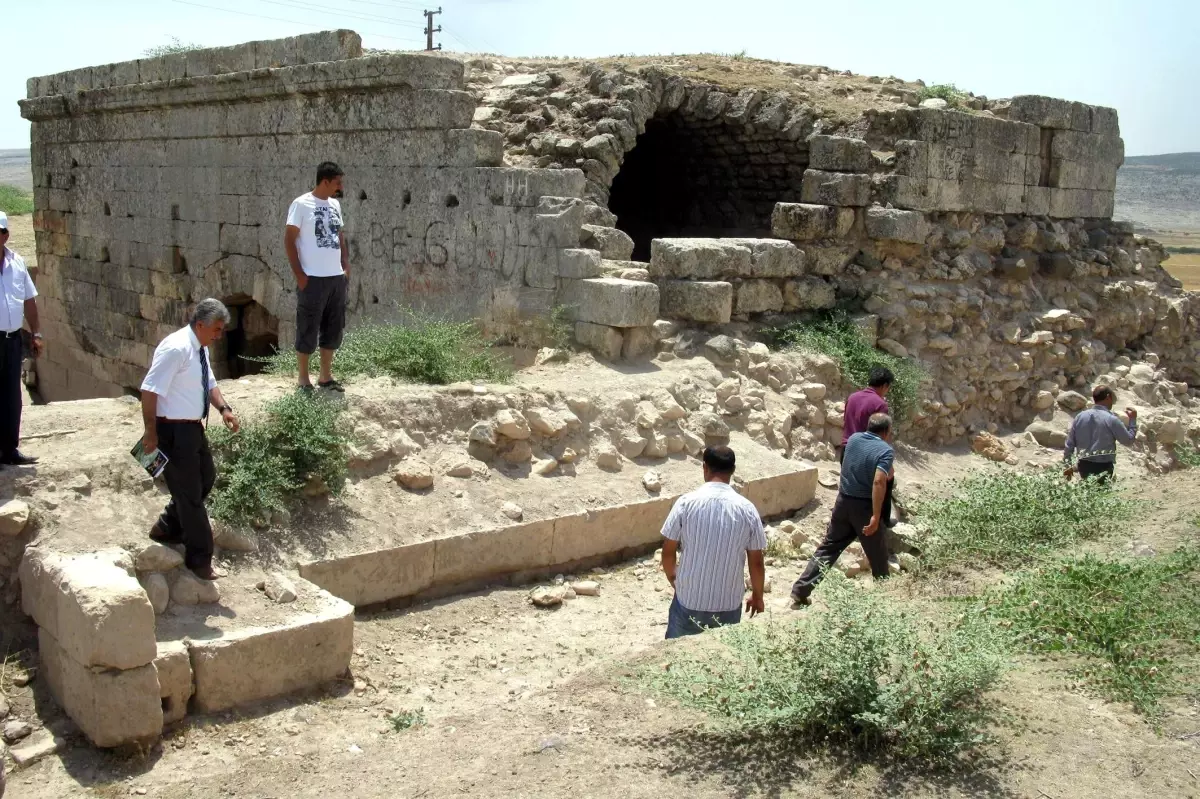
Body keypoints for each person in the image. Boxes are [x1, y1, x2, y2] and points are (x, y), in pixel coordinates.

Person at [141, 299, 240, 581]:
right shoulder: (176, 348)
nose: (219, 336)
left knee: (206, 479)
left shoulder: (199, 348)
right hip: (171, 431)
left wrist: (224, 409)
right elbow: (149, 390)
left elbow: (209, 382)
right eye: (216, 329)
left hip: (193, 429)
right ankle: (199, 559)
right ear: (200, 325)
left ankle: (167, 526)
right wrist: (151, 432)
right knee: (192, 497)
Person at [660, 446, 767, 639]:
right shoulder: (747, 509)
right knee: (721, 661)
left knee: (677, 658)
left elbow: (668, 551)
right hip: (728, 605)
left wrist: (674, 580)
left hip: (688, 602)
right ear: (733, 471)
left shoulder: (686, 503)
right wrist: (758, 596)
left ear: (705, 468)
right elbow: (756, 562)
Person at [791, 413, 895, 605]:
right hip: (864, 507)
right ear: (887, 431)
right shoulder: (885, 450)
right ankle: (884, 600)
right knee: (878, 555)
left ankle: (801, 589)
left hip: (843, 502)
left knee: (829, 548)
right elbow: (880, 481)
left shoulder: (854, 439)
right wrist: (876, 515)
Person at [286, 161, 349, 393]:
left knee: (333, 327)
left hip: (335, 278)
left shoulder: (334, 204)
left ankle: (326, 376)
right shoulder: (301, 204)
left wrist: (345, 266)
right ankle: (303, 379)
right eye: (337, 182)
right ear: (325, 181)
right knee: (307, 326)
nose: (340, 186)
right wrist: (300, 276)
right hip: (312, 278)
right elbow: (289, 240)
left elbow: (340, 236)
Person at [0, 211, 42, 467]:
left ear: (5, 235)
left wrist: (36, 333)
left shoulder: (17, 263)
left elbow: (29, 300)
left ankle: (9, 450)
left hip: (13, 340)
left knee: (12, 398)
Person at [841, 366, 896, 527]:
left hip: (847, 448)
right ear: (885, 385)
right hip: (868, 453)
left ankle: (846, 521)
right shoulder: (880, 405)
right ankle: (882, 520)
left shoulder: (852, 397)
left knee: (848, 488)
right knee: (885, 481)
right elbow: (881, 435)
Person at [1063, 385, 1137, 484]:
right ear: (1108, 397)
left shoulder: (1080, 417)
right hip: (1103, 467)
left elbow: (1070, 444)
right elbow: (1128, 440)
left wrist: (1067, 466)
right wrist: (1133, 420)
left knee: (1088, 493)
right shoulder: (1111, 419)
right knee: (1100, 495)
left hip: (1083, 466)